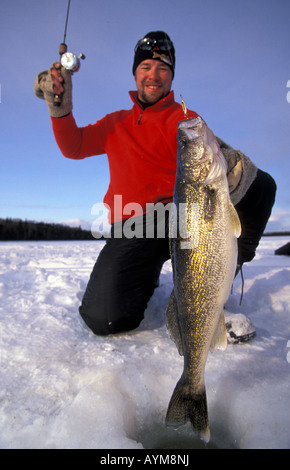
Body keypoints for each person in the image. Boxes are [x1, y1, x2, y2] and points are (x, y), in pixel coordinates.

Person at [34, 31, 276, 336]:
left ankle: (219, 282)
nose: (154, 76)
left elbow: (212, 156)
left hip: (183, 219)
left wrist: (230, 168)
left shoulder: (186, 118)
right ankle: (147, 274)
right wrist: (61, 109)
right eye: (146, 67)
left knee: (261, 185)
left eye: (163, 68)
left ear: (171, 76)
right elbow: (74, 146)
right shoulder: (115, 122)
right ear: (135, 73)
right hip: (134, 224)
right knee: (105, 318)